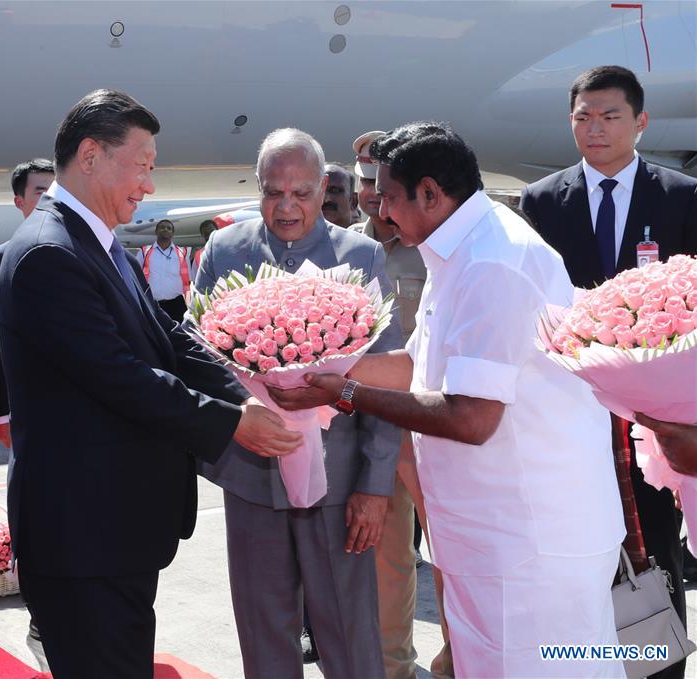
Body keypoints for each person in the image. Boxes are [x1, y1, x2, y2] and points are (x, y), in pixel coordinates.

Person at [269, 122, 626, 677]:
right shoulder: (459, 248)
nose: (382, 212)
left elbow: (472, 416)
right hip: (491, 537)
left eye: (389, 197)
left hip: (528, 545)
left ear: (431, 193)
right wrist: (316, 365)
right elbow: (419, 366)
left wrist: (347, 393)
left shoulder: (492, 261)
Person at [0, 89, 301, 678]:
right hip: (84, 536)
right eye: (141, 166)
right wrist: (233, 424)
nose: (150, 186)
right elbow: (121, 377)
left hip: (114, 533)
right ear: (90, 157)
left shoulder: (98, 242)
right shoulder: (48, 254)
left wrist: (241, 394)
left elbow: (170, 337)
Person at [194, 128, 402, 679]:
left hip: (339, 484)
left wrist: (375, 486)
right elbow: (198, 353)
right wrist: (242, 414)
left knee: (350, 634)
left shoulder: (361, 256)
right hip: (251, 477)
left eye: (301, 193)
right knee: (263, 632)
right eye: (272, 191)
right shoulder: (225, 251)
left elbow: (387, 381)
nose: (286, 206)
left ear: (324, 188)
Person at [520, 66, 697, 678]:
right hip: (569, 416)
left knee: (654, 553)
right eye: (582, 117)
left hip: (653, 427)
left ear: (640, 122)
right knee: (579, 556)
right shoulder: (542, 201)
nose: (594, 129)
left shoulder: (680, 197)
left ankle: (656, 666)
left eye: (609, 116)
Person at [350, 130, 439, 679]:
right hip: (373, 426)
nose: (372, 197)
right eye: (363, 183)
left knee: (452, 553)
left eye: (379, 184)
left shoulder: (432, 245)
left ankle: (460, 660)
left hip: (436, 422)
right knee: (387, 558)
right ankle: (392, 669)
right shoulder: (344, 249)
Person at [0, 158, 54, 448]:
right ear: (19, 201)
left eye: (53, 189)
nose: (48, 197)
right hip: (32, 406)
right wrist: (1, 414)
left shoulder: (90, 252)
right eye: (39, 191)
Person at [136, 219, 191, 322]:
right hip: (152, 303)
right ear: (156, 232)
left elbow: (189, 278)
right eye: (162, 227)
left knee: (179, 335)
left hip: (176, 304)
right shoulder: (144, 252)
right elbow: (136, 277)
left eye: (169, 228)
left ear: (172, 233)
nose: (165, 229)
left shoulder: (182, 252)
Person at [321, 162, 357, 227]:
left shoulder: (364, 236)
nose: (326, 199)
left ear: (353, 201)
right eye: (321, 190)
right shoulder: (299, 236)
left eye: (335, 191)